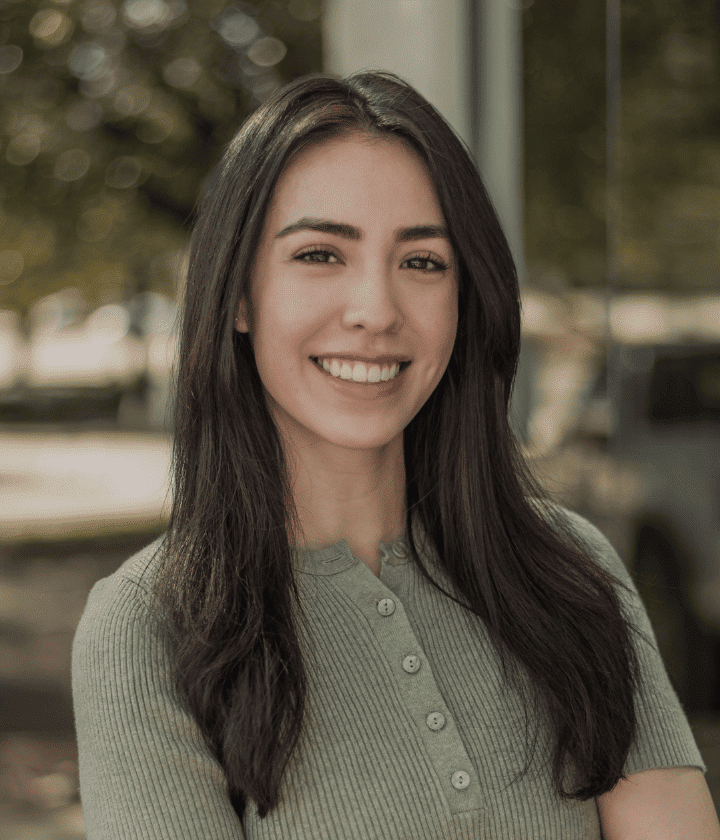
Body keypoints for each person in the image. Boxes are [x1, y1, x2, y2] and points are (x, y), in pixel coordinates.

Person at [71, 70, 720, 839]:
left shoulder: (572, 573)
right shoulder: (148, 629)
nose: (376, 311)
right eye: (320, 255)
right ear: (239, 295)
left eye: (422, 263)